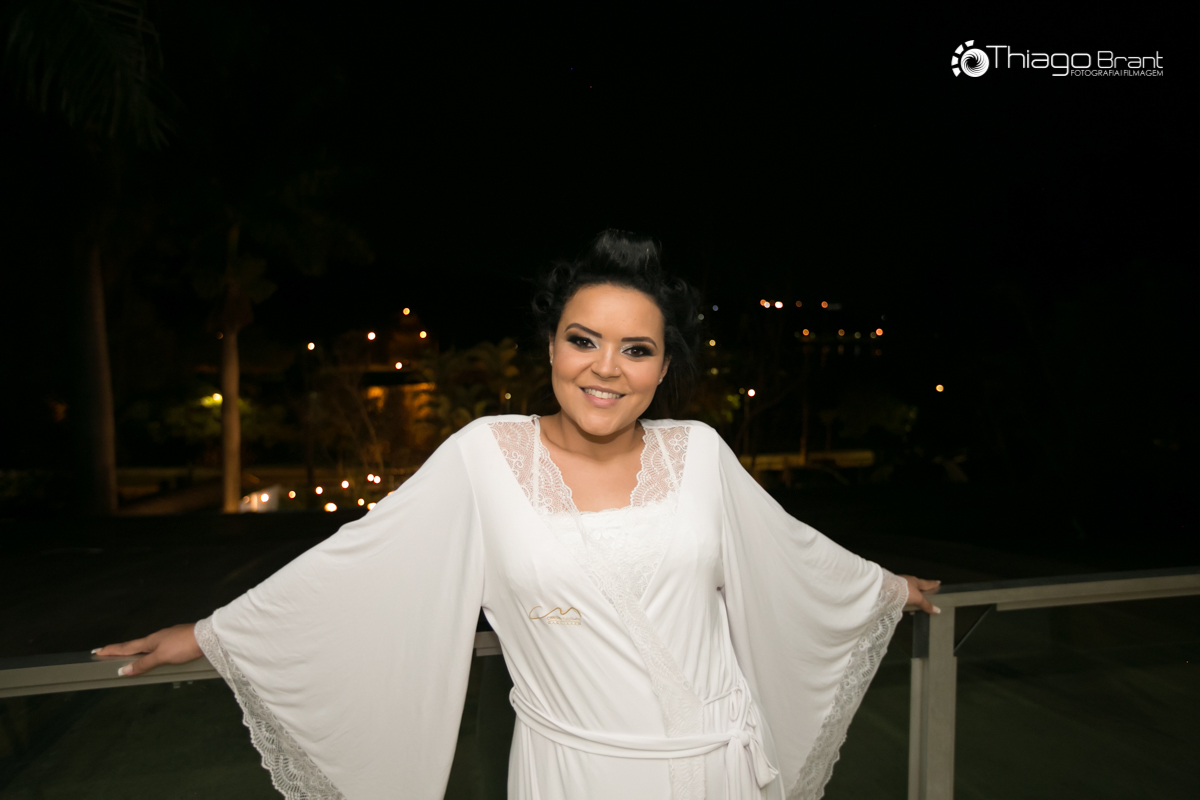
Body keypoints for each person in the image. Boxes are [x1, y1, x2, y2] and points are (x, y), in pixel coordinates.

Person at [95, 230, 940, 800]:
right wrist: (212, 635)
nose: (605, 368)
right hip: (574, 775)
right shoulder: (484, 456)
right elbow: (362, 563)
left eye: (636, 349)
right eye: (583, 340)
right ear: (551, 346)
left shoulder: (701, 454)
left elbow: (788, 554)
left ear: (662, 368)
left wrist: (884, 588)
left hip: (718, 774)